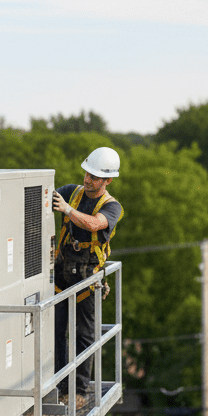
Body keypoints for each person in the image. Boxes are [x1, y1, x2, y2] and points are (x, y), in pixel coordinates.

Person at [51, 146, 123, 402]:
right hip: (62, 274)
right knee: (56, 331)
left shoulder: (112, 207)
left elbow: (94, 224)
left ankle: (79, 390)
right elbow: (44, 199)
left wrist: (68, 211)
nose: (87, 179)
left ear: (107, 180)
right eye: (87, 174)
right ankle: (59, 387)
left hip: (87, 277)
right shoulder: (72, 192)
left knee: (84, 335)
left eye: (94, 177)